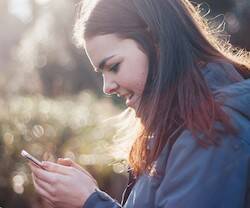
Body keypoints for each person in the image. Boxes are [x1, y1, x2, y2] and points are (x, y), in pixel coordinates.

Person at [29, 0, 250, 207]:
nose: (107, 87)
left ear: (157, 41)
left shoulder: (213, 127)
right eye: (102, 73)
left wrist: (90, 201)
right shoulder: (177, 122)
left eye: (114, 66)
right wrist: (88, 195)